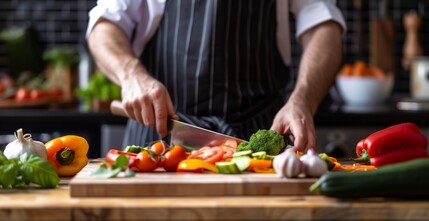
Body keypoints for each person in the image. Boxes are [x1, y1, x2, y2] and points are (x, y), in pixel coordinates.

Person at [86, 0, 346, 152]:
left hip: (256, 138)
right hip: (160, 136)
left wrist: (302, 99)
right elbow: (105, 25)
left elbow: (323, 24)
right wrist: (131, 75)